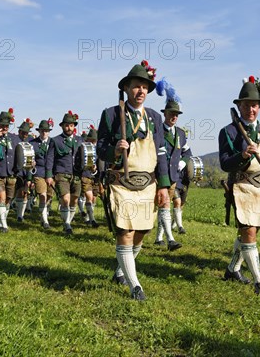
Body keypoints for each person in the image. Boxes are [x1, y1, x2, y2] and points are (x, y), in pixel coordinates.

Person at [97, 60, 170, 301]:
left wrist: (165, 186)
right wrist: (115, 151)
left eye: (145, 87)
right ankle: (135, 285)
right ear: (127, 88)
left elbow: (161, 152)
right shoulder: (110, 115)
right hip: (121, 182)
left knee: (142, 231)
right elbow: (100, 149)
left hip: (147, 184)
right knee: (126, 232)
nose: (141, 91)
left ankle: (120, 271)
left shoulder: (154, 118)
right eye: (137, 86)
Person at [219, 76, 260, 296]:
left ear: (259, 107)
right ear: (239, 106)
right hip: (242, 188)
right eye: (246, 105)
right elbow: (225, 163)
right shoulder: (229, 131)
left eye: (254, 105)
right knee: (249, 231)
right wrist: (242, 155)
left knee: (250, 232)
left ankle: (232, 269)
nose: (250, 109)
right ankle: (258, 280)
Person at [154, 91, 191, 249]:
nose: (174, 117)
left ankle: (159, 237)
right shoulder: (157, 131)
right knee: (163, 206)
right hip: (159, 175)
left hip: (174, 176)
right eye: (171, 113)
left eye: (176, 114)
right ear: (165, 113)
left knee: (165, 207)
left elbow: (187, 152)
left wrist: (183, 161)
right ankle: (169, 239)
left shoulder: (181, 134)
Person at [46, 110, 83, 235]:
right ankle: (67, 224)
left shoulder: (80, 140)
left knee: (74, 200)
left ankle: (68, 221)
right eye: (66, 125)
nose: (69, 127)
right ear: (62, 126)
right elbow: (50, 158)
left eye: (71, 125)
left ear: (74, 127)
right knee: (65, 200)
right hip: (61, 173)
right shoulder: (55, 141)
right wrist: (49, 175)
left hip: (77, 174)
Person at [0, 109, 21, 233]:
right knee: (1, 197)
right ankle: (4, 225)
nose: (4, 128)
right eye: (2, 125)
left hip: (11, 174)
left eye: (6, 126)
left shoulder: (14, 138)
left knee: (8, 199)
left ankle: (1, 221)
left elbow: (20, 154)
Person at [29, 118, 54, 229]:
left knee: (49, 196)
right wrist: (29, 178)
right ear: (39, 131)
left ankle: (43, 215)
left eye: (46, 131)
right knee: (42, 196)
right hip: (38, 172)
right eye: (42, 130)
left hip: (51, 173)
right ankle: (45, 221)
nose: (44, 132)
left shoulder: (53, 142)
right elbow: (29, 163)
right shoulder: (33, 144)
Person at [80, 126, 101, 228]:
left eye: (94, 140)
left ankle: (89, 217)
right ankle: (92, 219)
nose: (93, 142)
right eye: (91, 140)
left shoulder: (99, 148)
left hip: (96, 176)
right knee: (89, 196)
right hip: (85, 175)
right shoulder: (83, 147)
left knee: (94, 198)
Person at [14, 118, 34, 223]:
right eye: (23, 132)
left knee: (23, 193)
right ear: (19, 131)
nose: (25, 134)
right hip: (13, 171)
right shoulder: (14, 140)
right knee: (11, 194)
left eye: (27, 133)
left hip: (25, 172)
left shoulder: (30, 142)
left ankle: (20, 215)